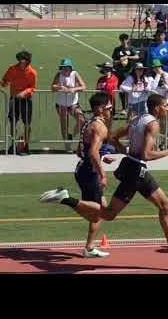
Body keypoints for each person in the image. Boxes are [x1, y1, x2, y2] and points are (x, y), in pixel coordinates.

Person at [40, 93, 168, 263]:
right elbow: (146, 154)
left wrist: (126, 152)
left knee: (109, 214)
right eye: (166, 105)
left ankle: (66, 199)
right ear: (157, 108)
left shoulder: (139, 119)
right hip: (137, 170)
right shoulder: (153, 125)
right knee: (165, 206)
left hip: (131, 167)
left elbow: (114, 137)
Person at [42, 92, 116, 258]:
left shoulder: (88, 123)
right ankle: (65, 198)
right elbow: (92, 152)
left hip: (82, 169)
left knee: (98, 211)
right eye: (110, 108)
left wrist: (102, 157)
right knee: (100, 213)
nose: (111, 111)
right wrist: (102, 173)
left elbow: (79, 151)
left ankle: (89, 248)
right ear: (101, 108)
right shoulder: (100, 127)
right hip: (90, 173)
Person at [0, 50, 37, 154]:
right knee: (13, 122)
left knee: (27, 124)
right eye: (20, 60)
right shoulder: (12, 69)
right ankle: (13, 144)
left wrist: (24, 92)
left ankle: (26, 144)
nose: (22, 63)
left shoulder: (32, 72)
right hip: (14, 99)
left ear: (27, 61)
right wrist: (4, 83)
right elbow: (4, 80)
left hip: (26, 100)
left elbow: (33, 88)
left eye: (24, 61)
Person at [52, 58, 86, 153]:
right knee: (64, 124)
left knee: (82, 120)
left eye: (66, 67)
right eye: (63, 67)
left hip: (73, 104)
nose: (65, 69)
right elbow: (52, 87)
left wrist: (73, 89)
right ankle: (67, 145)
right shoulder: (58, 75)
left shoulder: (75, 74)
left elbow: (83, 87)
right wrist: (60, 87)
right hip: (61, 104)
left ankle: (71, 136)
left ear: (70, 68)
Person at [112, 33, 139, 115]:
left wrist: (127, 57)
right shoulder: (117, 49)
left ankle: (131, 107)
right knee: (122, 90)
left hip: (130, 72)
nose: (124, 41)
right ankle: (124, 108)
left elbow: (137, 56)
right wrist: (120, 61)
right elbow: (114, 61)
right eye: (122, 40)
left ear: (128, 40)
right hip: (120, 72)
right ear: (120, 40)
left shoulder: (131, 49)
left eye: (125, 39)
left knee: (131, 90)